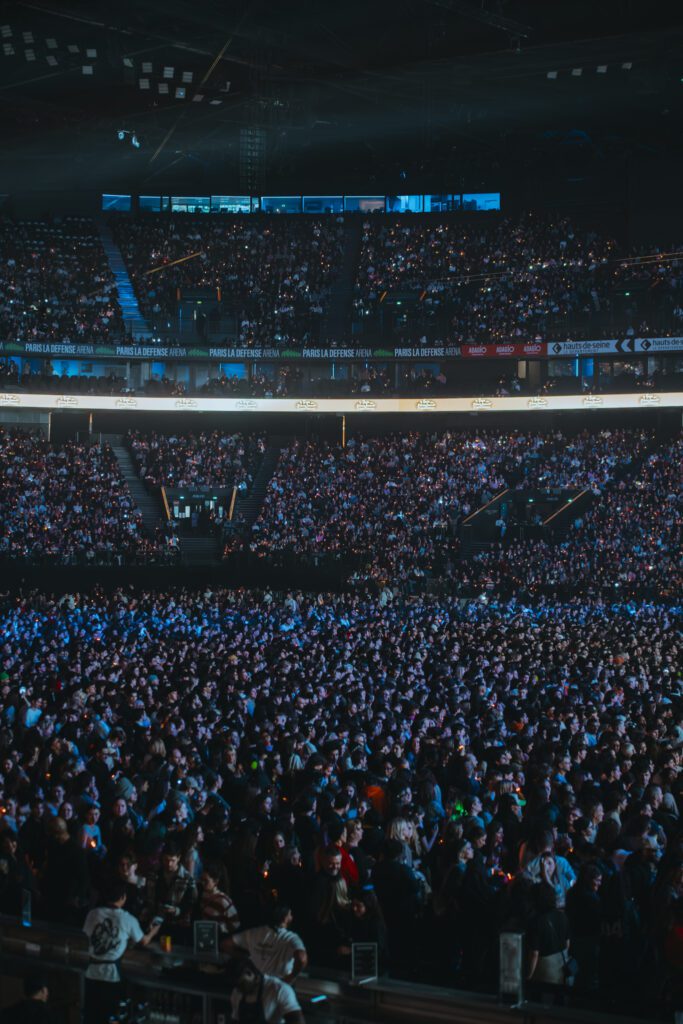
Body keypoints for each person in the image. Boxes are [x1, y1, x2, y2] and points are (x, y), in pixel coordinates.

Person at [82, 882, 161, 1024]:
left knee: (91, 1017)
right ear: (123, 897)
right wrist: (153, 932)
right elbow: (143, 941)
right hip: (111, 975)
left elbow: (88, 934)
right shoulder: (127, 919)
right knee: (111, 1017)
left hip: (91, 972)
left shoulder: (93, 913)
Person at [224, 905, 308, 984]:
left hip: (255, 984)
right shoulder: (291, 938)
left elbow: (226, 944)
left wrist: (244, 957)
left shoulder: (253, 933)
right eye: (290, 914)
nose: (292, 917)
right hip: (278, 986)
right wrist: (292, 976)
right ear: (285, 919)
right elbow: (302, 958)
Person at [230, 959, 304, 1024]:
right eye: (237, 986)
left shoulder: (280, 989)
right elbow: (235, 1021)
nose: (239, 989)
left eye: (242, 984)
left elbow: (296, 1021)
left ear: (250, 974)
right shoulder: (237, 992)